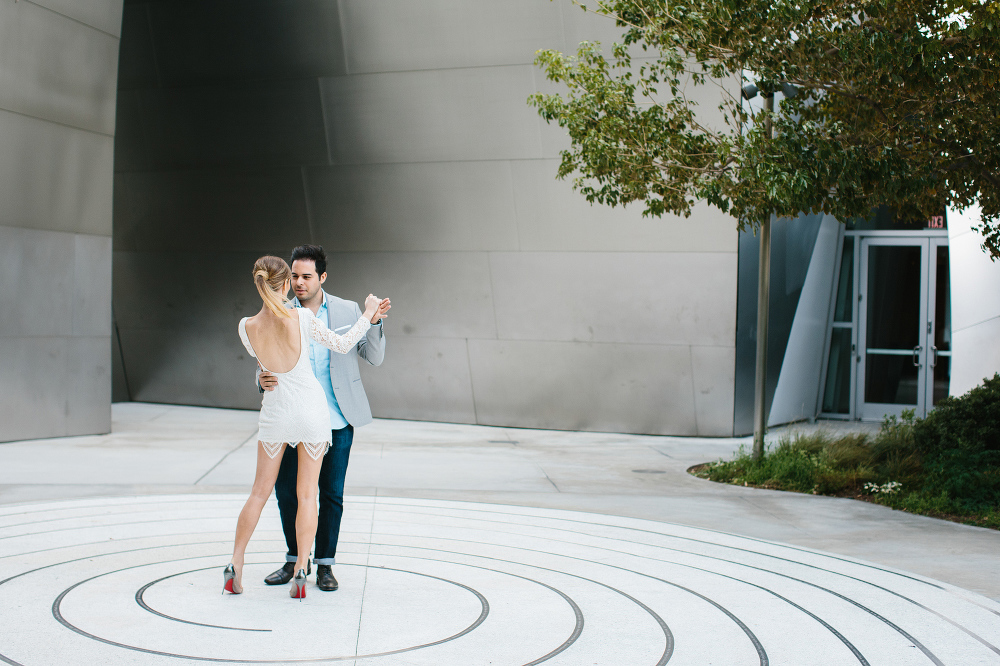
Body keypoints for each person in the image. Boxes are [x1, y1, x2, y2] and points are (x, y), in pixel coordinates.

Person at [224, 255, 390, 599]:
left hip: (275, 413)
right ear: (285, 284)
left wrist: (263, 376)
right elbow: (344, 345)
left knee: (259, 492)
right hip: (311, 413)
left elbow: (266, 369)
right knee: (307, 495)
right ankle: (302, 567)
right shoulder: (302, 317)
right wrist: (367, 315)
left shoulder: (245, 326)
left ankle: (235, 563)